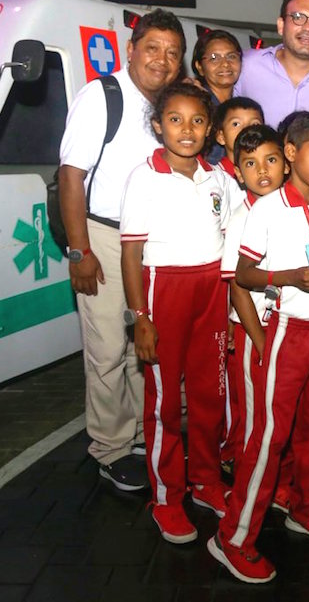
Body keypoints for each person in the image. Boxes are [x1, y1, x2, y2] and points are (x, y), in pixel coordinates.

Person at [210, 113, 309, 584]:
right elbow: (244, 275)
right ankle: (233, 537)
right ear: (291, 153)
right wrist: (290, 277)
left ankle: (304, 508)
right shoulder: (267, 209)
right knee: (268, 437)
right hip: (288, 331)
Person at [58, 8, 185, 492]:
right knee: (108, 348)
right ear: (130, 50)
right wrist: (78, 251)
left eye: (172, 53)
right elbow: (71, 176)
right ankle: (110, 448)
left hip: (153, 242)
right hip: (105, 239)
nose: (162, 60)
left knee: (141, 345)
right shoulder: (102, 96)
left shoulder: (167, 104)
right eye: (152, 48)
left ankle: (136, 433)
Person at [119, 81, 230, 542]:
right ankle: (167, 495)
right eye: (176, 120)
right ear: (158, 124)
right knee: (164, 400)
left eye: (198, 120)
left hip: (212, 290)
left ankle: (205, 480)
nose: (187, 129)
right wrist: (139, 317)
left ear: (210, 130)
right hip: (165, 290)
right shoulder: (144, 176)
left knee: (210, 392)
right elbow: (130, 255)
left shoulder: (217, 177)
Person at [220, 124, 288, 480]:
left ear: (287, 163)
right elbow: (238, 286)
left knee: (280, 407)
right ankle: (248, 479)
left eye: (271, 160)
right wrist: (259, 340)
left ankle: (275, 478)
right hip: (254, 329)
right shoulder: (241, 218)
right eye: (250, 163)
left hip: (289, 326)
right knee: (253, 408)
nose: (262, 171)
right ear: (236, 171)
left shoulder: (294, 209)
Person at [210, 97, 264, 216]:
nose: (246, 129)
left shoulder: (270, 173)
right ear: (221, 136)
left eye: (255, 124)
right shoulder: (214, 178)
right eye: (236, 124)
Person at [192, 29, 242, 106]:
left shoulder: (242, 105)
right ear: (199, 67)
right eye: (214, 58)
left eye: (231, 56)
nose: (225, 64)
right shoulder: (196, 104)